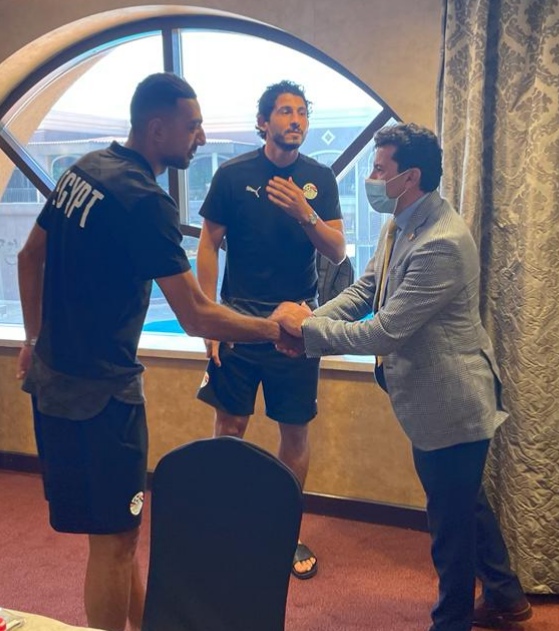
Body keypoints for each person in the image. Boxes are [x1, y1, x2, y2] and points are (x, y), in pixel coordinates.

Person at [16, 72, 287, 631]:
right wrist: (276, 329)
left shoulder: (85, 169)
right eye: (193, 127)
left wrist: (34, 340)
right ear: (157, 128)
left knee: (116, 534)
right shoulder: (145, 200)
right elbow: (196, 315)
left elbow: (28, 256)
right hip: (102, 397)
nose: (202, 138)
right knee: (115, 544)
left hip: (52, 381)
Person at [271, 123, 532, 630]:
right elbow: (366, 291)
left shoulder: (441, 242)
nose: (372, 178)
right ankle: (507, 597)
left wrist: (307, 332)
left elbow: (386, 330)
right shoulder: (401, 223)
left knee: (450, 527)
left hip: (453, 404)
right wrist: (312, 319)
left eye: (379, 169)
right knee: (465, 504)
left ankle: (451, 621)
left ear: (409, 177)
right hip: (431, 400)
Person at [196, 80, 346, 579]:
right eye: (284, 111)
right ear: (263, 122)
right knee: (229, 428)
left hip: (296, 327)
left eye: (302, 112)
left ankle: (283, 531)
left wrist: (305, 213)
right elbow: (208, 244)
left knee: (294, 432)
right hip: (239, 322)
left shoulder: (319, 178)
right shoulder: (232, 174)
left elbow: (337, 250)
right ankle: (224, 528)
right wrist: (208, 318)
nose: (295, 119)